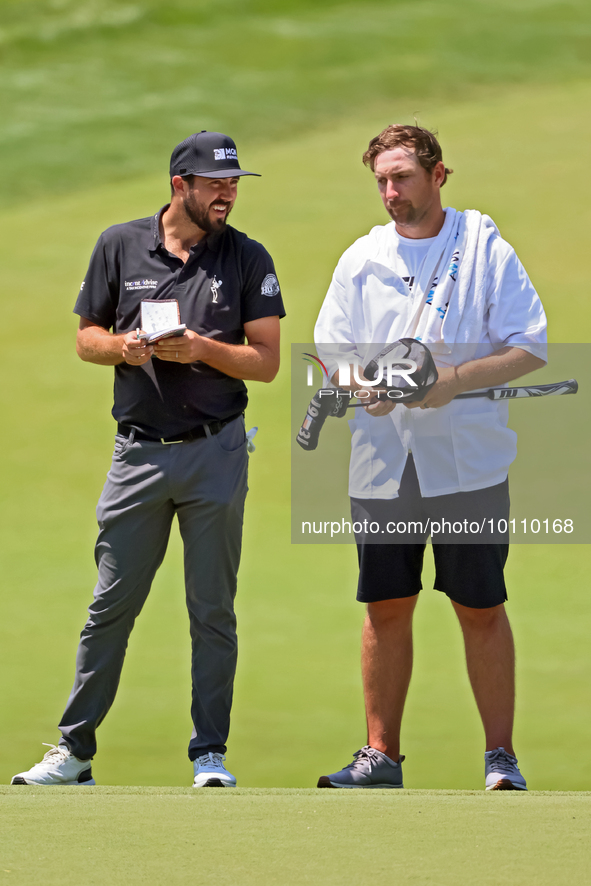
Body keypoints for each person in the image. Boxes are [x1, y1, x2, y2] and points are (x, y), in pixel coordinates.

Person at [12, 131, 285, 788]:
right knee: (110, 605)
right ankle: (73, 752)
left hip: (216, 450)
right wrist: (125, 349)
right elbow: (86, 338)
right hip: (137, 455)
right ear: (178, 185)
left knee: (211, 608)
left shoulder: (246, 257)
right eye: (216, 183)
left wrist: (203, 350)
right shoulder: (119, 244)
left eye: (234, 183)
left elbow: (267, 361)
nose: (228, 194)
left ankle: (209, 756)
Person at [314, 124, 546, 790]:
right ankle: (379, 756)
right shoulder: (361, 258)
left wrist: (453, 382)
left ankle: (500, 759)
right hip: (383, 463)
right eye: (381, 180)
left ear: (438, 175)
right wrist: (365, 389)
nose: (390, 192)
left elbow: (528, 344)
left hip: (467, 460)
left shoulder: (482, 248)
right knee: (386, 602)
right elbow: (333, 354)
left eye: (402, 177)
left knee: (479, 606)